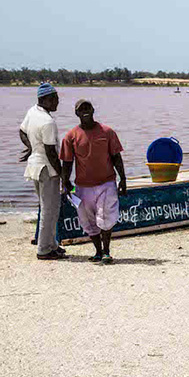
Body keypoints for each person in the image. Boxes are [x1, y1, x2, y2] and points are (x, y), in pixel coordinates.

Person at [60, 99, 127, 264]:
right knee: (87, 220)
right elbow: (67, 163)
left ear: (93, 109)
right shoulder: (70, 137)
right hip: (83, 186)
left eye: (87, 108)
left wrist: (123, 179)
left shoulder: (107, 132)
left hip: (106, 183)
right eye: (81, 109)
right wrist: (65, 182)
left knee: (106, 217)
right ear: (76, 113)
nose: (85, 111)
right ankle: (97, 251)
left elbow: (116, 157)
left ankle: (106, 251)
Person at [19, 83, 67, 260]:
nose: (57, 102)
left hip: (35, 167)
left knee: (48, 207)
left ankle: (52, 243)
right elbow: (51, 152)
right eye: (54, 99)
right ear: (45, 100)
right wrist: (62, 174)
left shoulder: (33, 112)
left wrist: (32, 147)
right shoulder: (48, 122)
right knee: (50, 209)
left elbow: (22, 131)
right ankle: (43, 250)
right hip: (47, 169)